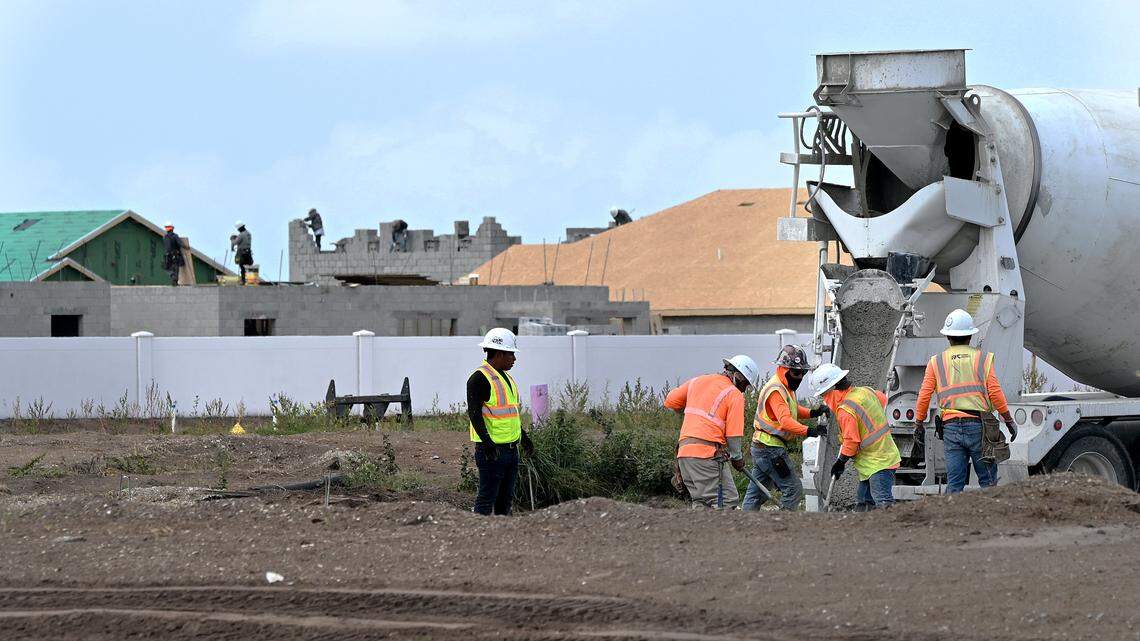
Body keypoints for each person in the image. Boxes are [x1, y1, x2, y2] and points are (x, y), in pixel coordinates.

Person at [913, 309, 1018, 493]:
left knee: (954, 485)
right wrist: (1008, 419)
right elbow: (995, 392)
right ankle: (989, 519)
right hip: (979, 428)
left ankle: (952, 521)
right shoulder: (983, 359)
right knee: (988, 482)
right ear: (971, 335)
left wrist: (919, 423)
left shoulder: (936, 362)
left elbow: (924, 395)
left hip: (950, 428)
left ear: (947, 337)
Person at [664, 354, 760, 509]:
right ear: (738, 377)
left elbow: (671, 401)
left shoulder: (697, 381)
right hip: (706, 456)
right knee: (727, 501)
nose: (744, 390)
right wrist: (737, 458)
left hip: (684, 455)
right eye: (746, 385)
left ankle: (701, 533)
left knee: (701, 503)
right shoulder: (733, 394)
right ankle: (720, 534)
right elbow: (734, 435)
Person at [742, 345, 828, 511]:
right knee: (793, 490)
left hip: (763, 446)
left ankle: (744, 525)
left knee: (756, 493)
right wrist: (810, 431)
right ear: (783, 369)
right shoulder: (776, 390)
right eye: (796, 372)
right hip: (770, 449)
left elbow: (793, 410)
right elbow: (786, 422)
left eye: (802, 373)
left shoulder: (784, 387)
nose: (800, 377)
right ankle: (782, 528)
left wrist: (814, 412)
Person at [811, 363, 901, 510]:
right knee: (864, 501)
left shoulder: (846, 410)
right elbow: (882, 400)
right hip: (877, 460)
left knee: (884, 504)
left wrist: (840, 462)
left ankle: (893, 531)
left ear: (833, 389)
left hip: (878, 462)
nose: (824, 399)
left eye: (824, 395)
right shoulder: (864, 391)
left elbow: (851, 442)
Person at [467, 328, 534, 516]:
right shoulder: (479, 378)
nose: (514, 359)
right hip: (492, 452)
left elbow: (510, 414)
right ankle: (478, 537)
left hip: (511, 450)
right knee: (487, 498)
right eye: (511, 354)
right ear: (499, 353)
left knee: (505, 500)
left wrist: (524, 437)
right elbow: (474, 414)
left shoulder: (507, 378)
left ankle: (502, 539)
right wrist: (488, 444)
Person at [161, 221, 184, 286]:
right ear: (172, 228)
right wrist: (186, 247)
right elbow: (180, 244)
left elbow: (166, 246)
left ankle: (173, 279)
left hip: (168, 255)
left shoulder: (165, 237)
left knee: (167, 268)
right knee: (176, 269)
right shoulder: (175, 236)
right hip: (175, 255)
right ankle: (175, 280)